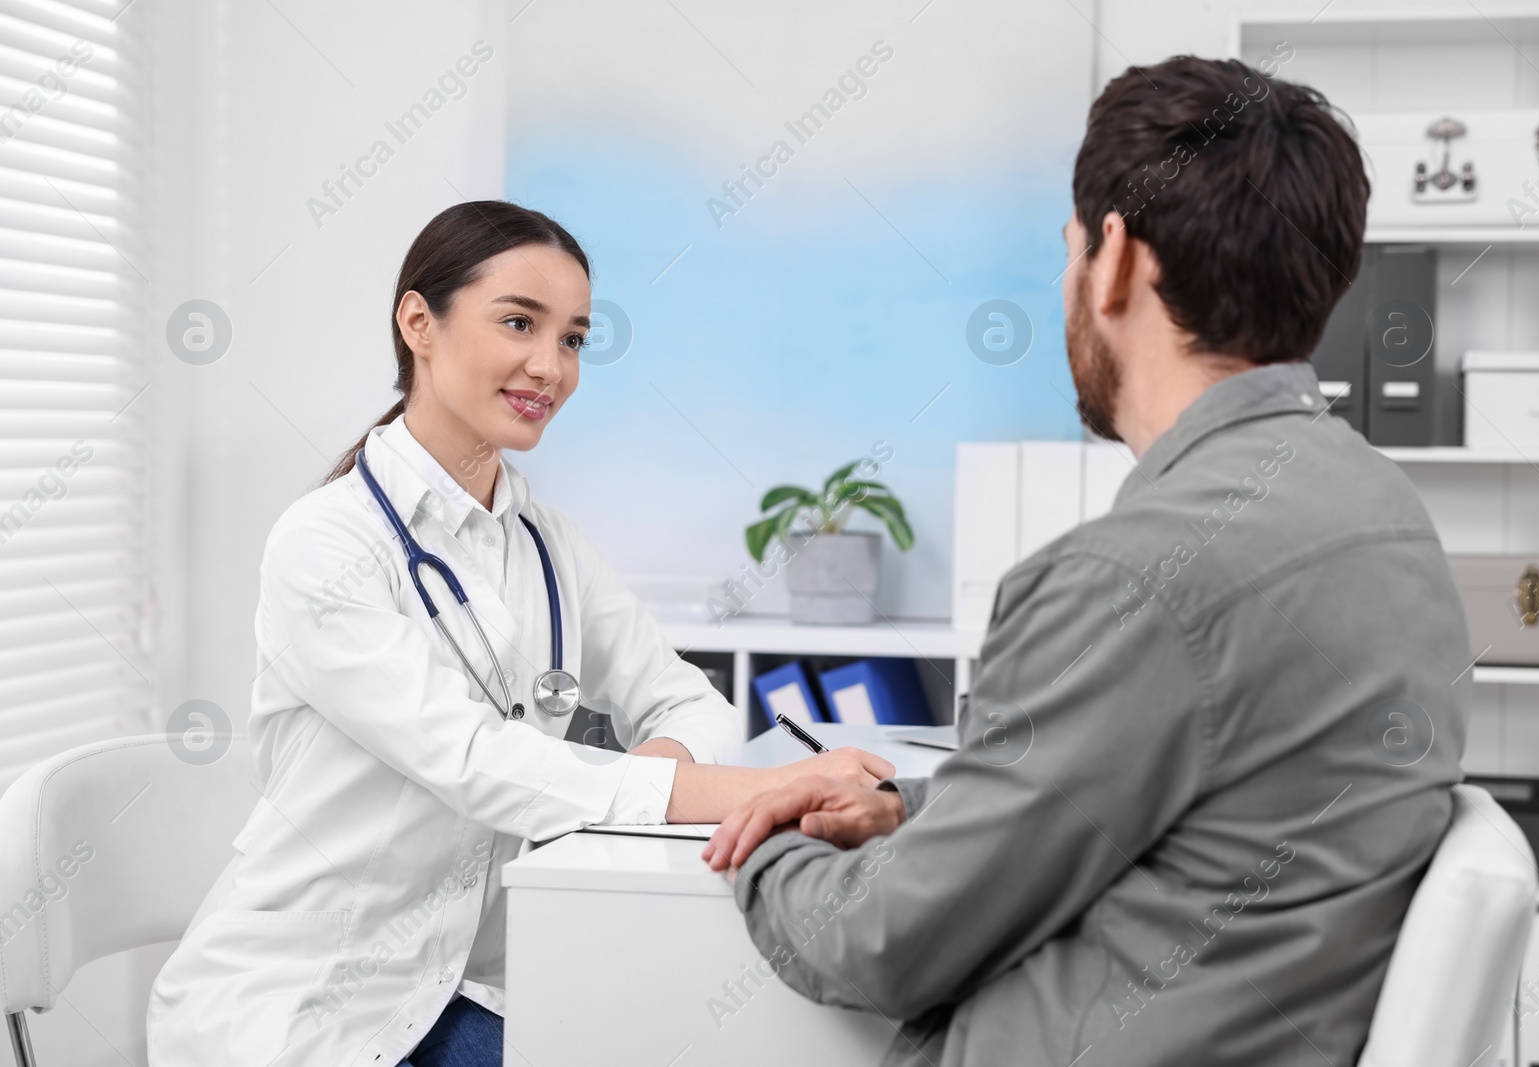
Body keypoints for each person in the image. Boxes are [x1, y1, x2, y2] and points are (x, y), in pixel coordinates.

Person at [705, 55, 1470, 1066]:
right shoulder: (1385, 512)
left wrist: (764, 846)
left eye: (1066, 252)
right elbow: (1182, 810)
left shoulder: (1137, 578)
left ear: (1112, 258)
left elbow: (881, 942)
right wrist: (906, 809)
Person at [145, 201, 891, 1067]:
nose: (551, 365)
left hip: (466, 985)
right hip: (311, 1004)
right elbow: (475, 759)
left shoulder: (544, 544)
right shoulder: (327, 544)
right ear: (418, 322)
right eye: (518, 322)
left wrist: (667, 766)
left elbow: (686, 694)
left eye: (573, 337)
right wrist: (763, 787)